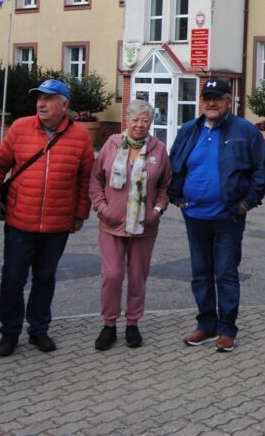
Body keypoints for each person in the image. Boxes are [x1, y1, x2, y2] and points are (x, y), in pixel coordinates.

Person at [0, 79, 94, 356]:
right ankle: (9, 332)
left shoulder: (81, 136)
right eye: (39, 98)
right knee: (12, 278)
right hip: (19, 220)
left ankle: (39, 329)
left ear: (64, 104)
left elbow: (85, 180)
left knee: (45, 278)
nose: (41, 103)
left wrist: (80, 214)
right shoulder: (20, 127)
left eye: (48, 98)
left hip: (57, 223)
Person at [168, 77, 265, 352]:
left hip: (229, 217)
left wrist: (246, 203)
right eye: (207, 98)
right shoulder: (189, 129)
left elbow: (262, 170)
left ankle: (227, 329)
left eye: (218, 97)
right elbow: (173, 164)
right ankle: (206, 325)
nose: (212, 102)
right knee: (200, 273)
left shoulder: (245, 131)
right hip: (195, 216)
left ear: (229, 100)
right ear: (202, 102)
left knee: (225, 274)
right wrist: (175, 197)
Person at [89, 99, 172, 350]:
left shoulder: (158, 150)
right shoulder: (112, 145)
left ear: (150, 123)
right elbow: (95, 179)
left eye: (145, 120)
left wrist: (156, 211)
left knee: (137, 277)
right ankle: (109, 325)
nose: (139, 125)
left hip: (144, 227)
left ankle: (133, 324)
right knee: (112, 276)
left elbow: (166, 186)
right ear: (127, 121)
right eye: (135, 119)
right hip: (111, 223)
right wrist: (102, 207)